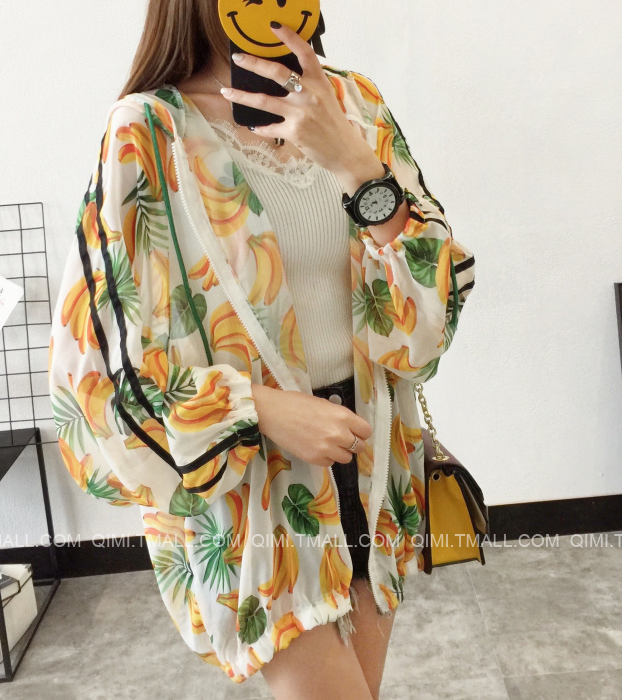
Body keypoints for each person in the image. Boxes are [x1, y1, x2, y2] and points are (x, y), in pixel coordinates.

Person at [48, 1, 475, 698]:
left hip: (373, 460)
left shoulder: (354, 103)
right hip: (252, 479)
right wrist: (260, 408)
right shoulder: (148, 133)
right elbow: (100, 363)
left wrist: (355, 165)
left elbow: (430, 313)